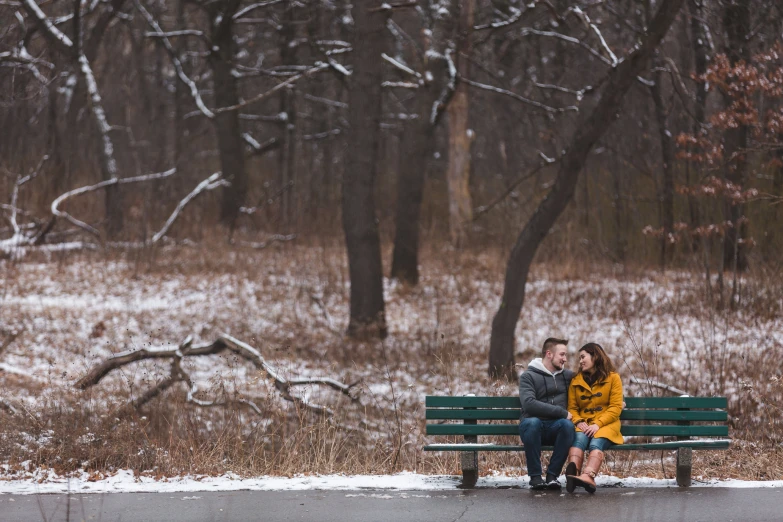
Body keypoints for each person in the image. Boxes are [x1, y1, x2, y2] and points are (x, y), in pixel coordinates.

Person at [565, 342, 624, 494]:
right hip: (583, 423)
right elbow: (572, 408)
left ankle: (588, 476)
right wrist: (578, 421)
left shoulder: (613, 378)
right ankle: (573, 473)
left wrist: (598, 424)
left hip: (606, 424)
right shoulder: (576, 381)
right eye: (579, 358)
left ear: (595, 356)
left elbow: (616, 407)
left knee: (596, 443)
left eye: (583, 357)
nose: (580, 361)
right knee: (578, 440)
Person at [518, 338, 576, 490]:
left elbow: (594, 381)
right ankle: (535, 477)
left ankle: (552, 476)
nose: (565, 359)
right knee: (533, 423)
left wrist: (619, 399)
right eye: (562, 355)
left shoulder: (567, 376)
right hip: (532, 426)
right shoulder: (528, 376)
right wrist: (561, 412)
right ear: (549, 354)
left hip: (555, 428)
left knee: (567, 425)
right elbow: (529, 404)